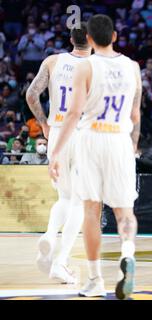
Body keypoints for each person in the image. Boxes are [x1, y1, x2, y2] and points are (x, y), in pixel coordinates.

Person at [48, 14, 141, 300]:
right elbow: (136, 116)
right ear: (114, 37)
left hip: (91, 139)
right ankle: (127, 253)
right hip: (119, 140)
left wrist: (56, 153)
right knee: (125, 211)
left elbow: (73, 113)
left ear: (89, 39)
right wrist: (132, 148)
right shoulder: (133, 66)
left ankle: (95, 279)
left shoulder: (86, 66)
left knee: (90, 210)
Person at [25, 24, 91, 284]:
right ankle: (60, 263)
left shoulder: (53, 61)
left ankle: (50, 237)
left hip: (56, 133)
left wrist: (43, 122)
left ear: (71, 40)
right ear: (91, 39)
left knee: (64, 196)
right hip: (82, 135)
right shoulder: (96, 65)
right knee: (79, 201)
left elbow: (31, 94)